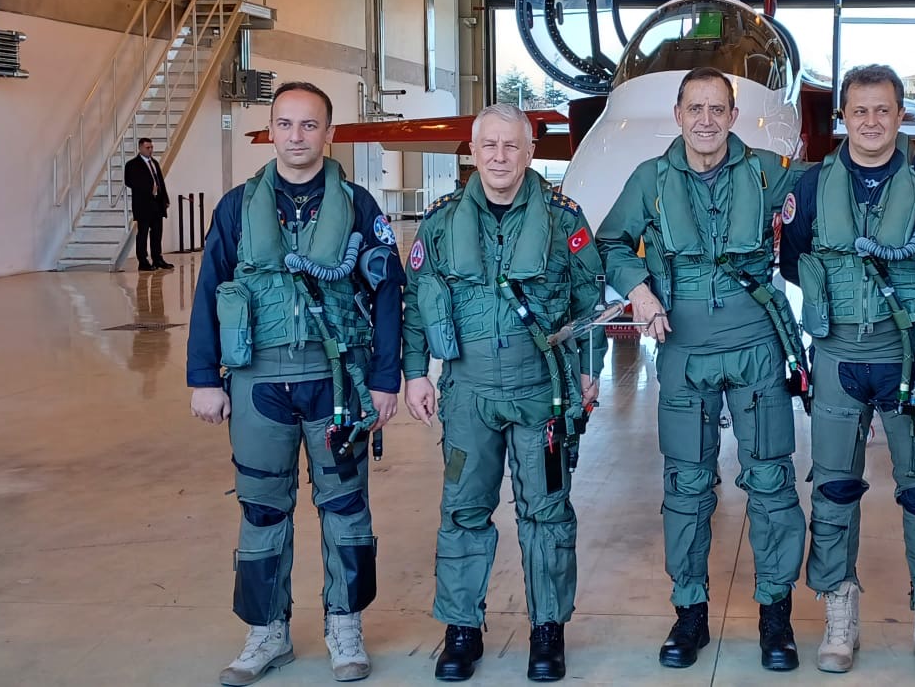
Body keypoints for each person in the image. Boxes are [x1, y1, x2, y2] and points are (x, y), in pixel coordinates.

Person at [186, 82, 404, 686]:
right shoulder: (236, 207)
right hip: (259, 384)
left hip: (337, 383)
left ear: (328, 133)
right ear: (271, 131)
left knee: (345, 506)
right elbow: (209, 292)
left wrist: (386, 380)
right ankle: (267, 632)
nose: (297, 136)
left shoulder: (361, 207)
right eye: (286, 124)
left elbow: (388, 296)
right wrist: (204, 378)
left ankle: (344, 625)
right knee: (261, 509)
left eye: (310, 126)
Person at [596, 67, 811, 671]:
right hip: (684, 349)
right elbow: (611, 242)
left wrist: (914, 157)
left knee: (770, 483)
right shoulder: (651, 179)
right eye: (696, 108)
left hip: (755, 346)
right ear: (679, 114)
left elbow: (837, 183)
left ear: (733, 117)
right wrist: (638, 288)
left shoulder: (767, 171)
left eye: (718, 109)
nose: (707, 120)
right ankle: (689, 611)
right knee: (686, 489)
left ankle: (775, 613)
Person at [778, 63, 915, 681]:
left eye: (883, 110)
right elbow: (791, 259)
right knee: (834, 488)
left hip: (910, 355)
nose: (870, 122)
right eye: (859, 111)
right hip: (838, 355)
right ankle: (840, 611)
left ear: (900, 114)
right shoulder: (809, 187)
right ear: (844, 117)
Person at [399, 103, 608, 683]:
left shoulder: (564, 219)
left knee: (546, 512)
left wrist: (589, 371)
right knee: (463, 512)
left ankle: (548, 629)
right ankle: (461, 628)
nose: (498, 156)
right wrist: (417, 373)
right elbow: (418, 302)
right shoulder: (441, 223)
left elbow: (591, 302)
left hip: (542, 393)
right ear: (472, 151)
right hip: (467, 396)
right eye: (488, 145)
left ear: (530, 151)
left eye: (511, 146)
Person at [125, 136, 172, 270]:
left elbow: (160, 182)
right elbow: (129, 181)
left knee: (157, 233)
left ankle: (157, 258)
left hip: (156, 203)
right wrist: (147, 188)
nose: (150, 150)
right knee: (143, 233)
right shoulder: (132, 164)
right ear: (140, 148)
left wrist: (165, 199)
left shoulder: (154, 163)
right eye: (147, 148)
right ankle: (143, 261)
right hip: (143, 204)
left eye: (151, 147)